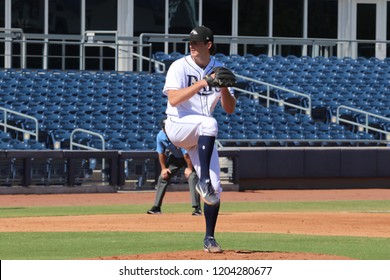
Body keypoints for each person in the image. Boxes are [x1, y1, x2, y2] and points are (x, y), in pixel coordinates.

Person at [162, 26, 236, 253]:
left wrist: (223, 88)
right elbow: (173, 99)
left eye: (197, 42)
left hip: (201, 134)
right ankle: (201, 179)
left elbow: (230, 109)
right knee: (210, 123)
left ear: (209, 44)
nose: (191, 45)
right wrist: (203, 83)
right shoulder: (179, 66)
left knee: (214, 190)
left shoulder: (219, 69)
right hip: (178, 125)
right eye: (190, 42)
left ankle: (209, 239)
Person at [147, 118, 202, 216]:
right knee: (163, 177)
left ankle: (197, 208)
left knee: (192, 177)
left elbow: (186, 154)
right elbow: (161, 153)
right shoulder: (160, 136)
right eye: (164, 128)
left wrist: (189, 168)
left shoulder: (178, 134)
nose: (166, 129)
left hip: (191, 157)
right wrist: (164, 168)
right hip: (175, 158)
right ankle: (156, 207)